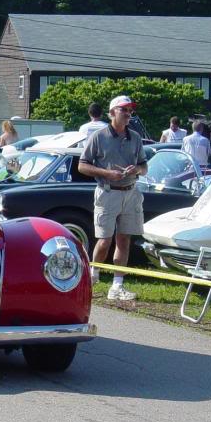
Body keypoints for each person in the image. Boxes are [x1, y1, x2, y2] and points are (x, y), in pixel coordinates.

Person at [78, 95, 148, 301]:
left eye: (130, 111)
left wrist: (137, 169)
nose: (128, 114)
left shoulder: (135, 137)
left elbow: (144, 167)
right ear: (112, 113)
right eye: (123, 110)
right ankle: (93, 277)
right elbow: (82, 165)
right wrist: (108, 173)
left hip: (131, 192)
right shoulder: (99, 137)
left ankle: (117, 286)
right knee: (104, 240)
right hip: (107, 192)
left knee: (124, 239)